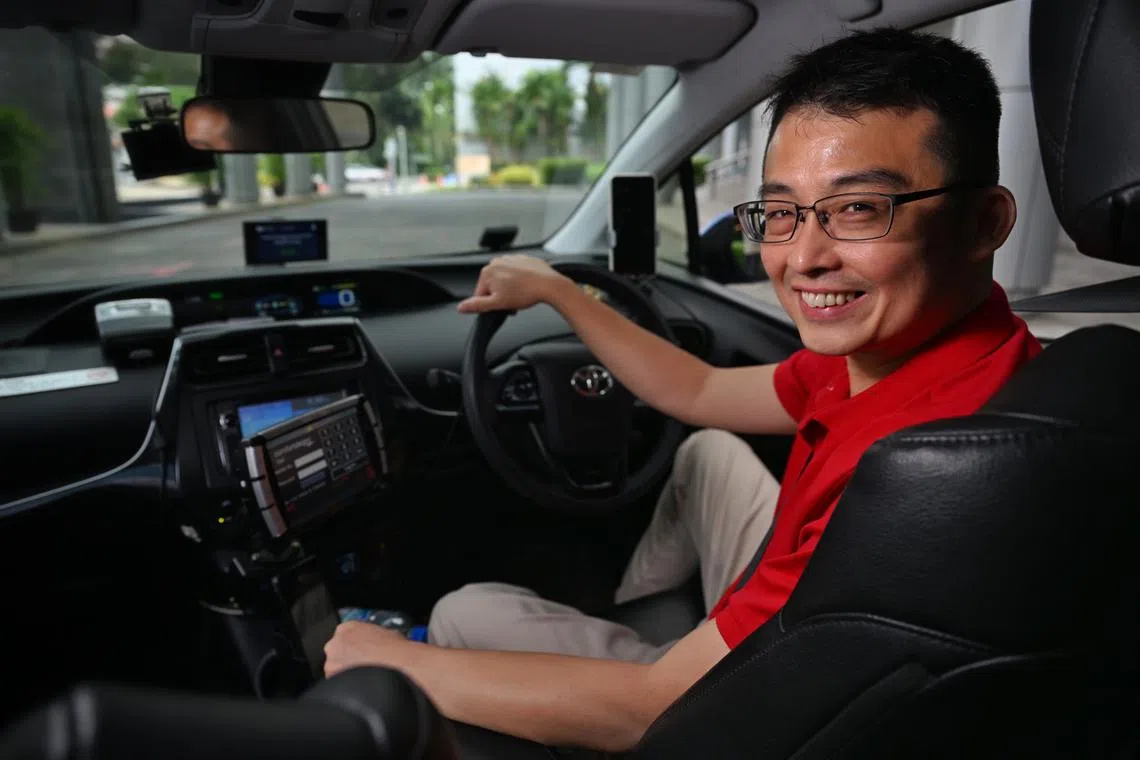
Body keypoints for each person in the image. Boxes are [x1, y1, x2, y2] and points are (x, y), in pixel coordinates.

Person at [323, 28, 1042, 752]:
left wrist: (391, 660)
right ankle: (657, 617)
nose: (804, 259)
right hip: (809, 632)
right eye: (782, 212)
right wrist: (560, 292)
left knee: (461, 612)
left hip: (733, 702)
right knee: (706, 450)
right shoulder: (939, 355)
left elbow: (653, 712)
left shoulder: (899, 478)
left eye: (859, 210)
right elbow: (698, 389)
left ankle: (656, 643)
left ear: (986, 223)